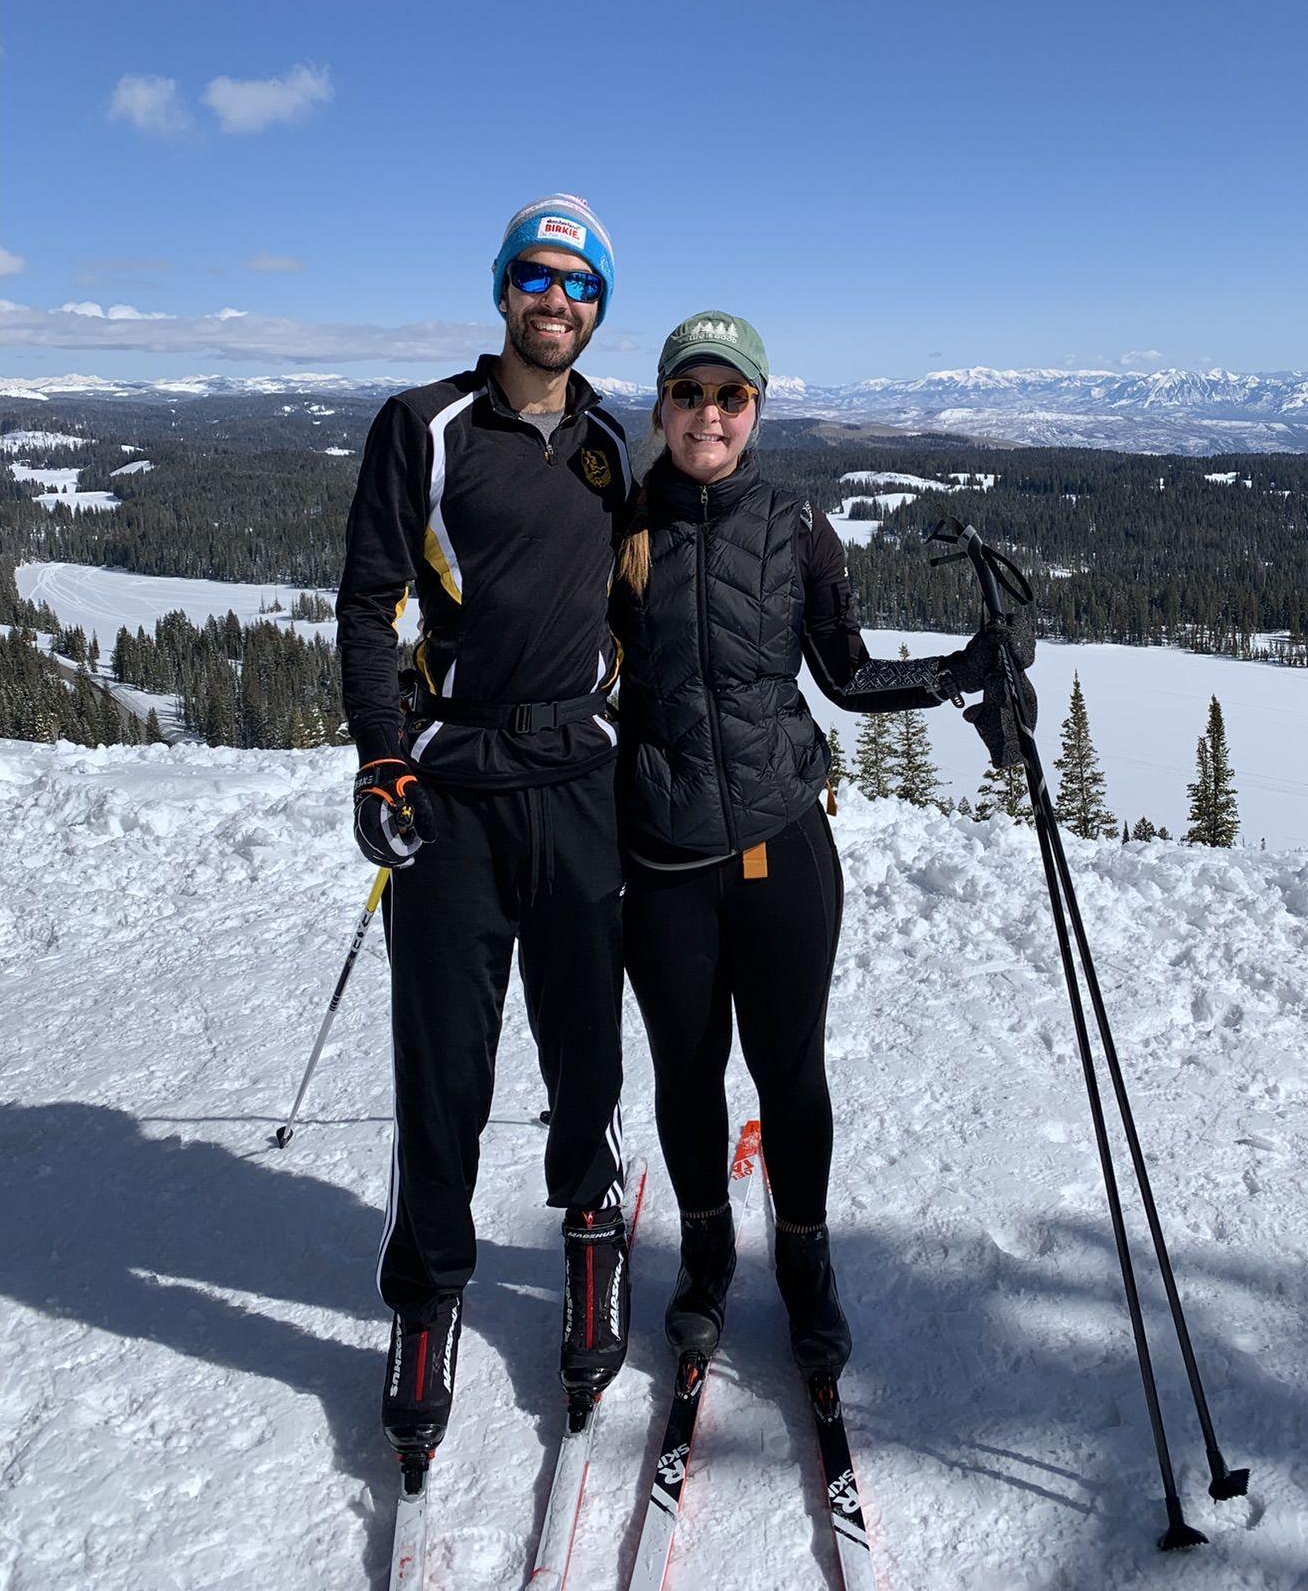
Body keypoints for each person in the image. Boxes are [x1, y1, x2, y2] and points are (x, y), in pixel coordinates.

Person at [611, 310, 1032, 1389]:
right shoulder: (617, 525)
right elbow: (574, 670)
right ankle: (705, 1261)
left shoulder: (796, 522)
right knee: (684, 1074)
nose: (709, 413)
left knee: (787, 1070)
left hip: (779, 846)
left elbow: (840, 672)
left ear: (756, 408)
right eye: (690, 393)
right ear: (661, 404)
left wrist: (956, 670)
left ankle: (806, 1265)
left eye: (731, 395)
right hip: (660, 857)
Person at [337, 194, 637, 1463]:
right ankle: (427, 1292)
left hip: (579, 782)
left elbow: (640, 607)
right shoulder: (423, 425)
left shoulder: (613, 445)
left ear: (596, 304)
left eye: (575, 283)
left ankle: (587, 1233)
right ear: (502, 290)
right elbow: (365, 606)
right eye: (533, 276)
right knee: (442, 1068)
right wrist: (382, 760)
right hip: (454, 789)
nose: (552, 299)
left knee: (585, 1050)